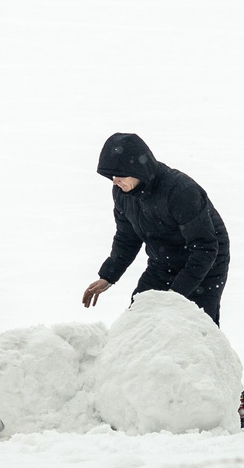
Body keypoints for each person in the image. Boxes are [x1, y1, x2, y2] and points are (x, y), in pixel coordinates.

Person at [80, 132, 231, 324]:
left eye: (120, 174)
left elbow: (206, 248)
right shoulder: (122, 193)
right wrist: (108, 276)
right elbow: (127, 237)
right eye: (112, 176)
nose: (115, 181)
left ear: (138, 170)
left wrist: (175, 294)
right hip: (163, 262)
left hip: (204, 265)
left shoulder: (180, 191)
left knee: (193, 328)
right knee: (138, 322)